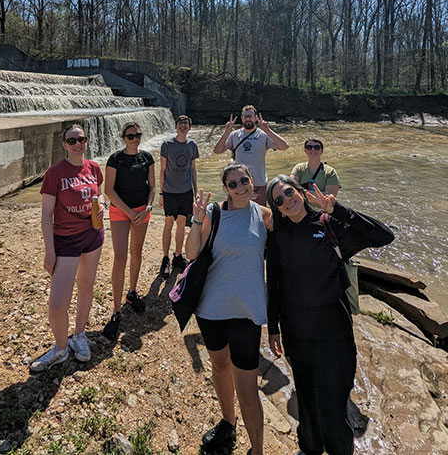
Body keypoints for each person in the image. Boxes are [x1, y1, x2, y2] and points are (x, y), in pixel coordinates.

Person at [266, 175, 394, 455]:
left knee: (333, 401)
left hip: (333, 329)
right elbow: (274, 283)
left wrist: (337, 209)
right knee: (307, 398)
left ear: (300, 191)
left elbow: (384, 236)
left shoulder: (329, 225)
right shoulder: (277, 236)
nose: (287, 200)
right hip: (296, 330)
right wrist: (272, 326)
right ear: (277, 208)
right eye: (279, 200)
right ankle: (309, 447)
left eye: (289, 192)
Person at [185, 163, 272, 455]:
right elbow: (191, 253)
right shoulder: (214, 213)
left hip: (247, 313)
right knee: (220, 366)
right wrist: (197, 220)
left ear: (253, 181)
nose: (240, 187)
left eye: (244, 180)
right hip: (211, 309)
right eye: (233, 184)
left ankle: (257, 450)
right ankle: (227, 421)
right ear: (226, 189)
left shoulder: (265, 215)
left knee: (248, 390)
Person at [30, 124, 105, 372]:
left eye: (81, 139)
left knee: (86, 287)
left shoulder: (94, 168)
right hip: (66, 241)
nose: (77, 144)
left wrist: (101, 205)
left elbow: (99, 195)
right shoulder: (54, 173)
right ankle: (61, 348)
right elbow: (46, 215)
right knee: (57, 304)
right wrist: (49, 251)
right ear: (64, 144)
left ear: (86, 141)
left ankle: (79, 335)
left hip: (92, 236)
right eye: (71, 140)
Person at [102, 121, 155, 339]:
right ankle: (115, 311)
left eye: (138, 134)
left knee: (137, 253)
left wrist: (148, 207)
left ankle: (132, 293)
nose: (135, 138)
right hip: (120, 212)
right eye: (131, 135)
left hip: (143, 211)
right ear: (123, 137)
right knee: (120, 257)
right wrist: (128, 212)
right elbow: (109, 190)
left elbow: (152, 186)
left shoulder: (147, 157)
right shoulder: (115, 159)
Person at [213, 105, 288, 206]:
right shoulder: (234, 135)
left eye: (250, 116)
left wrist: (267, 130)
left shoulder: (263, 135)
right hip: (238, 184)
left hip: (258, 183)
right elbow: (217, 151)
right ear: (242, 118)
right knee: (237, 213)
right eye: (245, 116)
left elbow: (284, 146)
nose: (248, 119)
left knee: (260, 214)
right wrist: (227, 131)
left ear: (255, 118)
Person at [159, 114, 199, 278]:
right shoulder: (167, 145)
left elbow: (193, 169)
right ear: (176, 126)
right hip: (169, 191)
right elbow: (162, 170)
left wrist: (196, 192)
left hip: (186, 191)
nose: (183, 126)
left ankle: (177, 256)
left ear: (189, 127)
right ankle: (165, 258)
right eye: (180, 123)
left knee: (182, 223)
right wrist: (161, 193)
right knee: (169, 223)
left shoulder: (192, 145)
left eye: (186, 123)